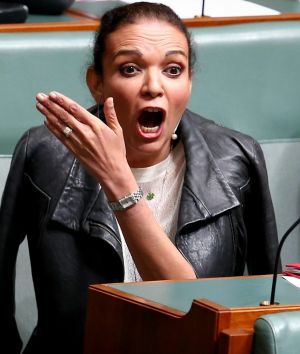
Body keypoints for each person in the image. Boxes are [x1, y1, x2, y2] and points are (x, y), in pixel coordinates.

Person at [0, 2, 279, 353]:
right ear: (97, 83)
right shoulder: (43, 153)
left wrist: (119, 182)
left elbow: (266, 313)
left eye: (173, 70)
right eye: (130, 69)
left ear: (190, 82)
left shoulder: (238, 160)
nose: (153, 86)